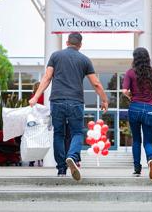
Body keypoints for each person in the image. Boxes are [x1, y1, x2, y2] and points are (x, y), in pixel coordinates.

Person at [29, 33, 108, 180]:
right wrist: (104, 100)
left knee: (59, 134)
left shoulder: (55, 56)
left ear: (67, 42)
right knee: (77, 133)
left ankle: (61, 169)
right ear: (80, 45)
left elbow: (46, 78)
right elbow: (96, 83)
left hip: (57, 101)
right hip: (75, 101)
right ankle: (72, 156)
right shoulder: (84, 60)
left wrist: (35, 96)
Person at [122, 47, 152, 180]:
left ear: (135, 58)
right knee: (148, 141)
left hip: (135, 108)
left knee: (136, 140)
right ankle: (151, 159)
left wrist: (130, 96)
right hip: (150, 109)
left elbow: (125, 91)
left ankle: (137, 168)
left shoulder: (130, 72)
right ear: (147, 58)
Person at [29, 82, 44, 167]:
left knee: (34, 141)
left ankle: (32, 160)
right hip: (42, 121)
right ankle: (42, 158)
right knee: (41, 141)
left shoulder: (33, 96)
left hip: (34, 121)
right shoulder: (43, 96)